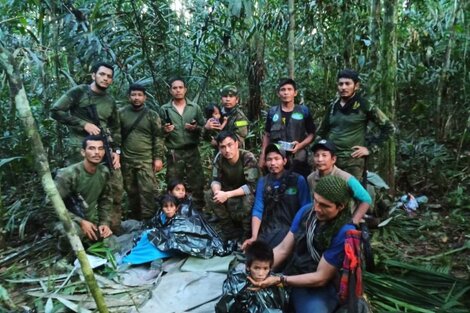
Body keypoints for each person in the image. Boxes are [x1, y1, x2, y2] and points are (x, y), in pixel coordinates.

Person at [249, 175, 357, 313]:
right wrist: (259, 269)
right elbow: (283, 249)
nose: (317, 208)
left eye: (324, 205)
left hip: (319, 286)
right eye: (316, 201)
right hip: (294, 270)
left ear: (340, 206)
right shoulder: (307, 211)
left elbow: (321, 277)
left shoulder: (344, 232)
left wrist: (280, 280)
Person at [51, 61, 123, 233]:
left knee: (114, 186)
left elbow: (116, 128)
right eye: (102, 74)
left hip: (104, 148)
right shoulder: (79, 93)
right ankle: (79, 227)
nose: (105, 79)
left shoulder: (110, 101)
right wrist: (83, 124)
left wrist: (117, 151)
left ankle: (110, 227)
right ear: (93, 75)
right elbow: (55, 111)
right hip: (80, 149)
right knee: (79, 189)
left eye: (109, 77)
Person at [317, 69, 395, 180]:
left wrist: (370, 149)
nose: (343, 87)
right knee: (329, 193)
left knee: (351, 194)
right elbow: (321, 132)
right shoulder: (333, 106)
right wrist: (320, 153)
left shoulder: (365, 105)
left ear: (356, 86)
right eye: (341, 84)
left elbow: (389, 128)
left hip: (353, 161)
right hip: (332, 160)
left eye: (347, 84)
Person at [242, 143, 311, 249]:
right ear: (265, 162)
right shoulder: (263, 181)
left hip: (291, 230)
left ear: (284, 161)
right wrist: (254, 236)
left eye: (276, 158)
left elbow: (306, 209)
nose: (273, 163)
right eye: (269, 159)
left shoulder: (298, 180)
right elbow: (258, 209)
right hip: (269, 229)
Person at [54, 136, 113, 244]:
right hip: (65, 219)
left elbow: (105, 200)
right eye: (91, 148)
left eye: (100, 149)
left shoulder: (104, 172)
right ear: (83, 152)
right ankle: (65, 256)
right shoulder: (68, 175)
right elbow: (51, 205)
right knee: (74, 233)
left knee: (110, 242)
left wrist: (104, 223)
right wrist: (80, 222)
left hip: (88, 218)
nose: (97, 152)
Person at [119, 83, 164, 220]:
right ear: (129, 97)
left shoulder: (152, 115)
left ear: (145, 97)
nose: (136, 98)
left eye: (139, 95)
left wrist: (158, 158)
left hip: (146, 160)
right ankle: (135, 219)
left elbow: (158, 137)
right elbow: (116, 135)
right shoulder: (121, 113)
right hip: (127, 160)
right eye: (133, 95)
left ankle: (148, 220)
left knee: (148, 192)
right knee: (131, 192)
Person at [160, 77, 206, 209]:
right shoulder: (164, 109)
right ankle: (175, 210)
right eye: (174, 88)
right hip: (174, 152)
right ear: (170, 91)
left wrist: (195, 128)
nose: (178, 90)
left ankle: (198, 211)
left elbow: (204, 128)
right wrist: (165, 130)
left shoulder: (194, 108)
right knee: (174, 181)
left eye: (180, 87)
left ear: (185, 89)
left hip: (192, 151)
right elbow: (159, 132)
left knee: (197, 181)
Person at [259, 78, 316, 177]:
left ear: (295, 93)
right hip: (277, 158)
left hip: (298, 158)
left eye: (289, 89)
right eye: (283, 89)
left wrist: (300, 145)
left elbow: (312, 134)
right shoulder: (272, 112)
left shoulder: (303, 111)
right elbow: (267, 135)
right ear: (278, 93)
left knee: (298, 184)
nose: (286, 92)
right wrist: (263, 155)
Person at [208, 131, 259, 241]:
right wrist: (217, 192)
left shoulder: (247, 157)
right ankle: (229, 230)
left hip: (243, 192)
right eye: (223, 147)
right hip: (227, 191)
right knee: (210, 195)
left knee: (249, 199)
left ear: (236, 144)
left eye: (230, 145)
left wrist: (227, 195)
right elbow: (215, 180)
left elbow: (252, 186)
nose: (227, 150)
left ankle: (246, 234)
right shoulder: (219, 159)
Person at [308, 139, 372, 225]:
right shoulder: (311, 178)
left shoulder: (346, 178)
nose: (320, 159)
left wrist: (354, 221)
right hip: (321, 218)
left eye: (324, 155)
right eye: (316, 155)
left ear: (333, 159)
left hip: (343, 220)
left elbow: (366, 199)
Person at [215, 240, 288, 313]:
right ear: (248, 267)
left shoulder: (275, 281)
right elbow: (226, 305)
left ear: (270, 268)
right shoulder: (237, 282)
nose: (261, 273)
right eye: (256, 268)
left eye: (265, 268)